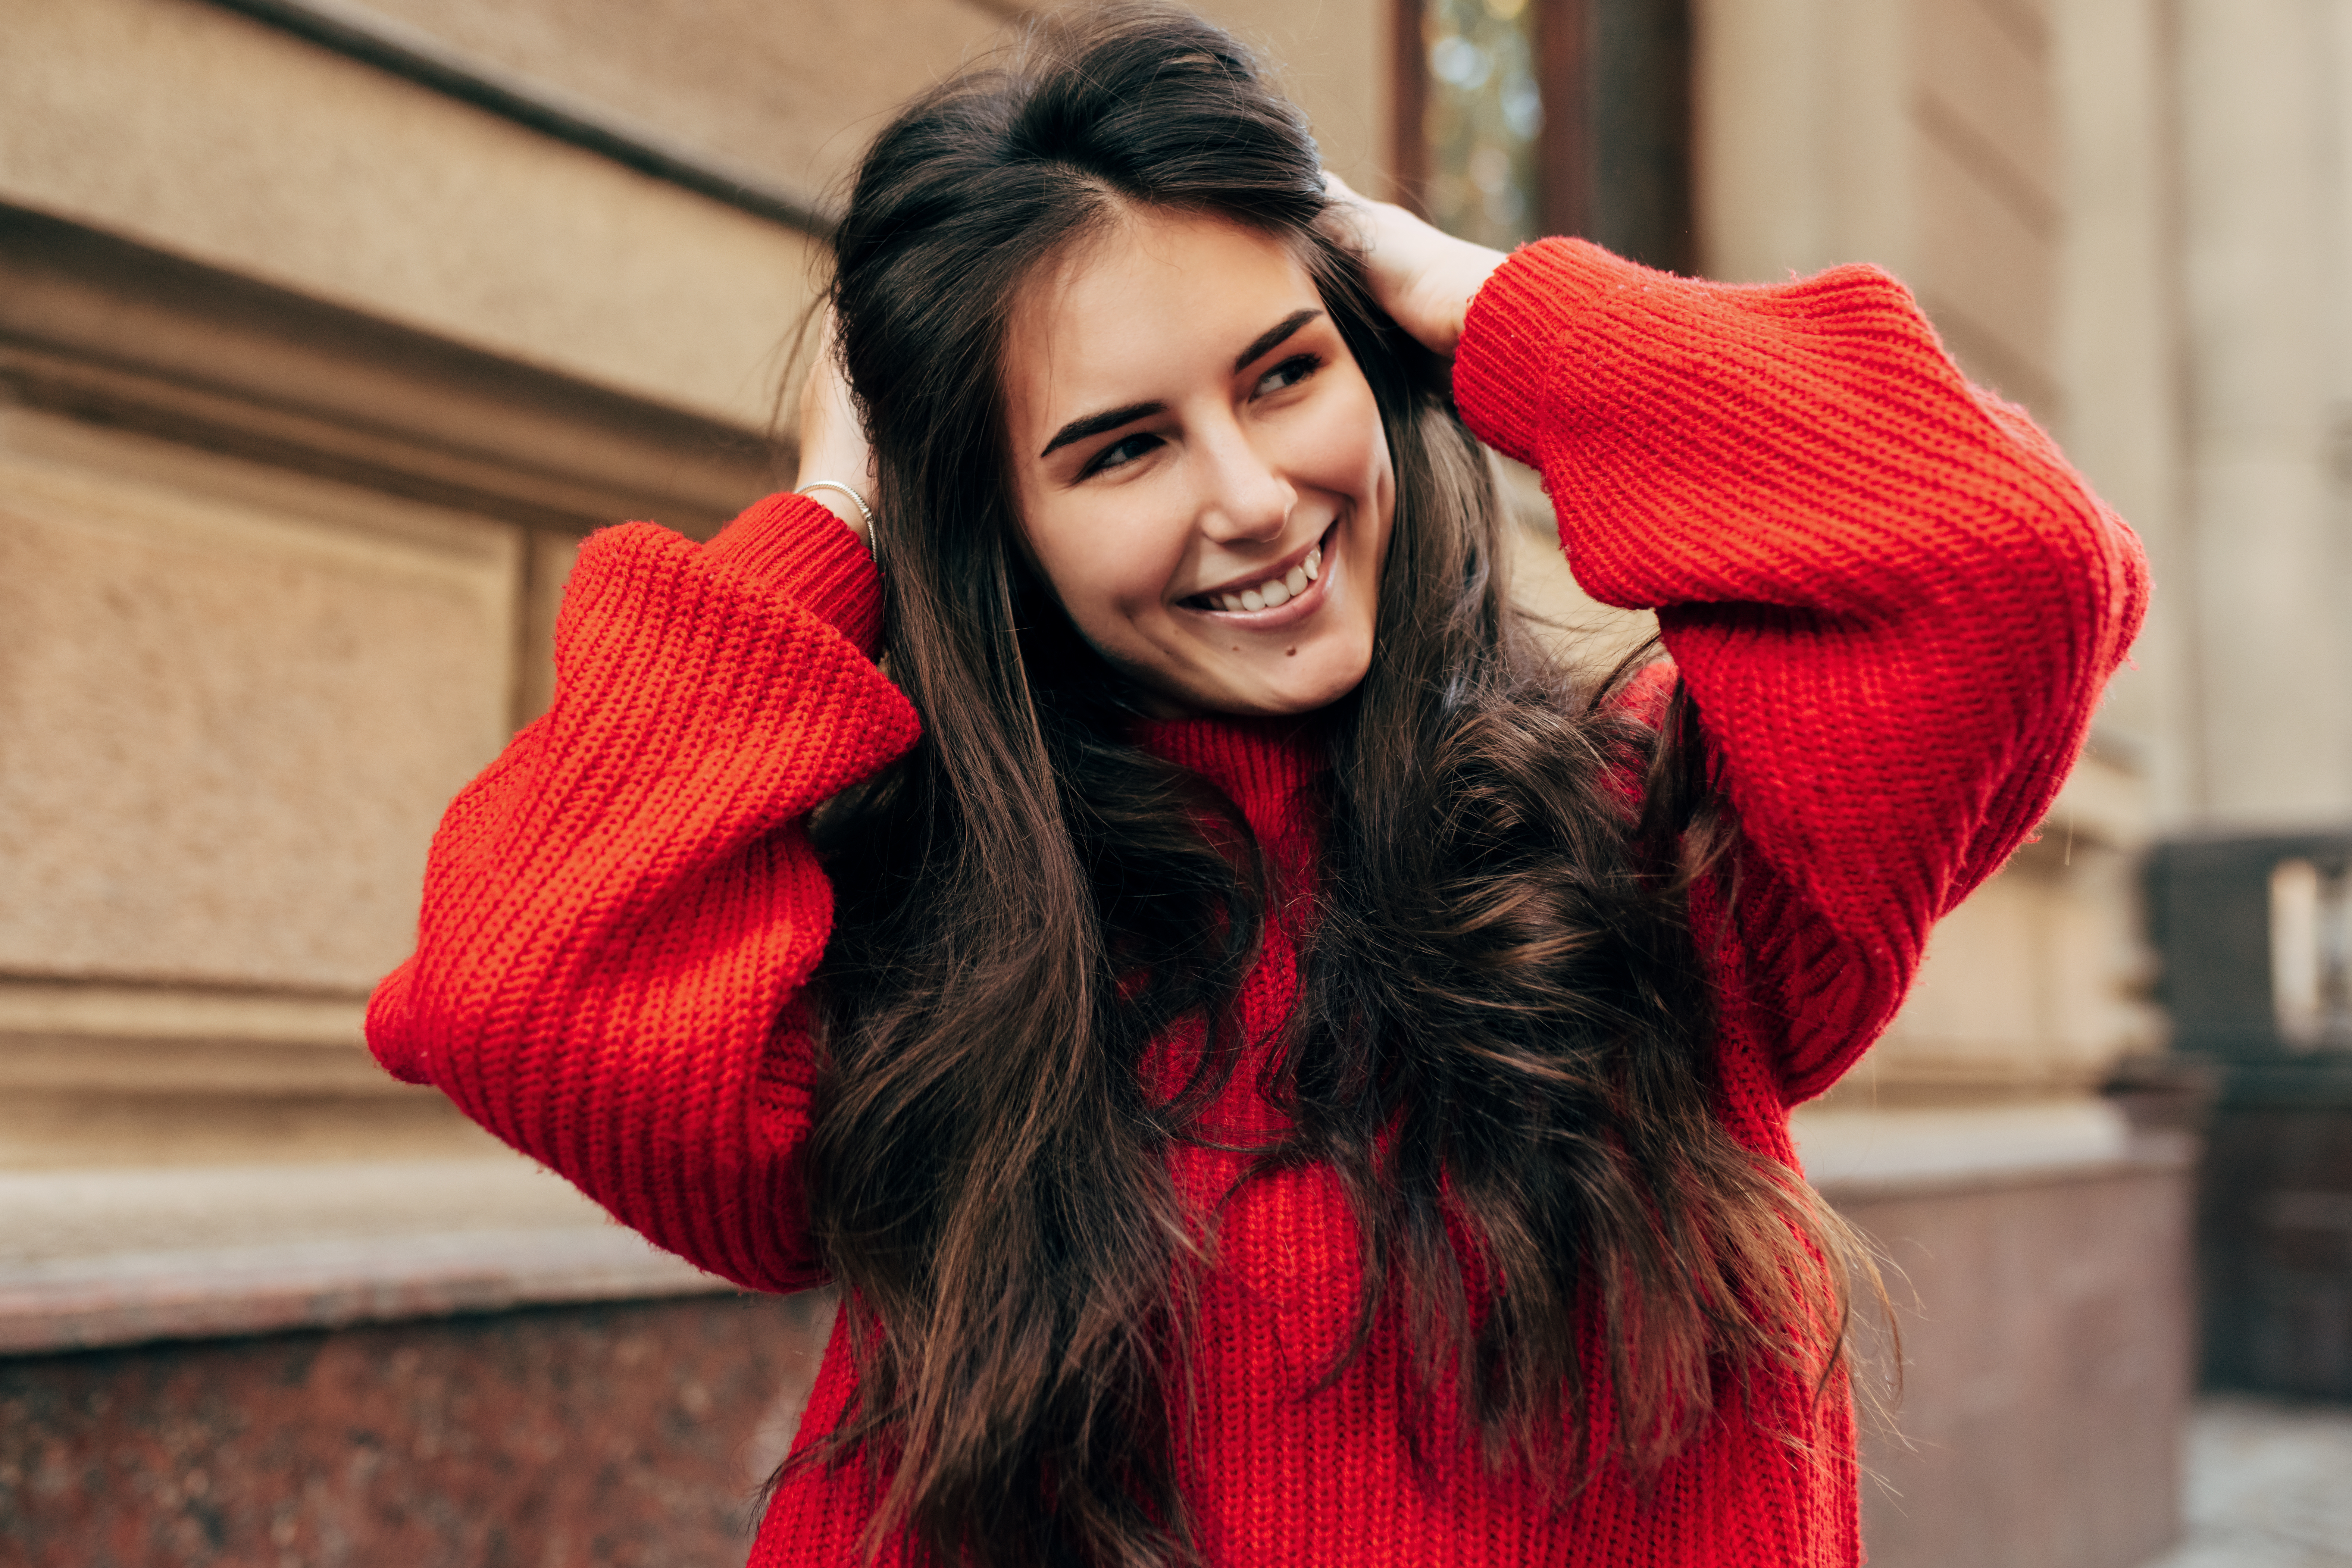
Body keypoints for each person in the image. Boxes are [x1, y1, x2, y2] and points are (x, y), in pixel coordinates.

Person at [364, 6, 2148, 1565]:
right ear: (999, 533)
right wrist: (835, 519)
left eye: (1284, 374)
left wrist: (1474, 294)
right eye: (1122, 446)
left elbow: (2004, 559)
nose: (1250, 497)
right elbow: (526, 986)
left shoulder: (1653, 848)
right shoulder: (917, 930)